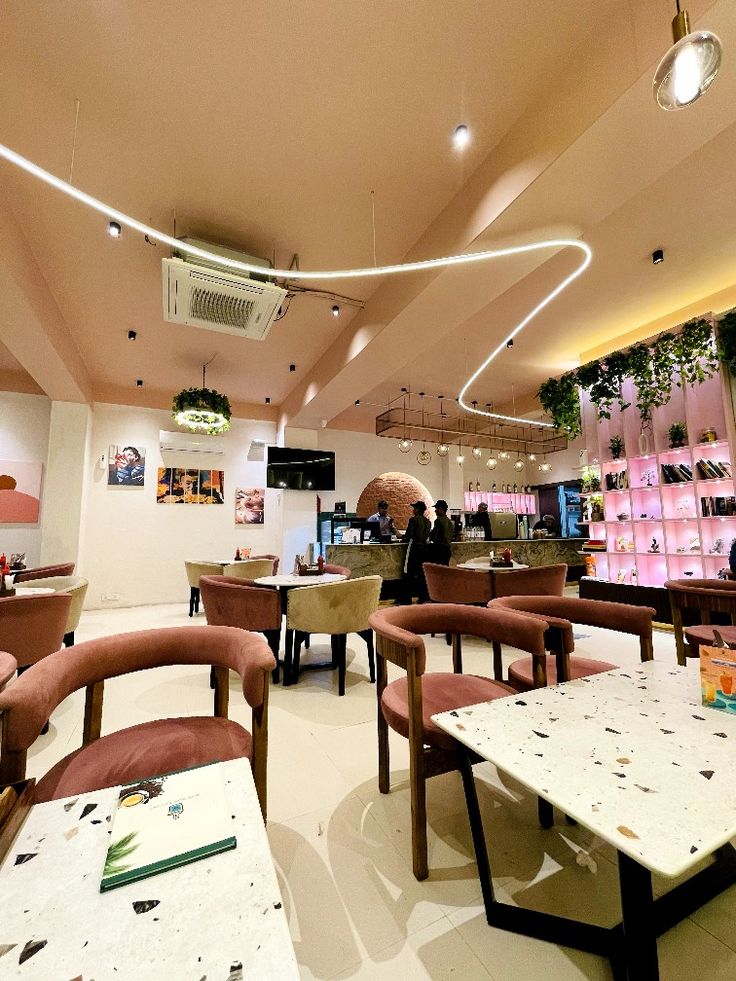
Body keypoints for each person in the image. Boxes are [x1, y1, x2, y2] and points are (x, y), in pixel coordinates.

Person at [401, 500, 431, 602]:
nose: (413, 510)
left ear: (418, 509)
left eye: (414, 508)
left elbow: (408, 536)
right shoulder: (428, 522)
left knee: (409, 573)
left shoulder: (413, 520)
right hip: (424, 549)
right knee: (421, 574)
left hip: (414, 548)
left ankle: (406, 598)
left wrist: (399, 535)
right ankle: (423, 597)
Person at [429, 499, 454, 565]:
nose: (435, 511)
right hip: (447, 549)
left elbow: (434, 536)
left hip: (439, 550)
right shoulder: (450, 521)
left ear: (441, 510)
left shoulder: (438, 521)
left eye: (436, 509)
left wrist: (430, 534)